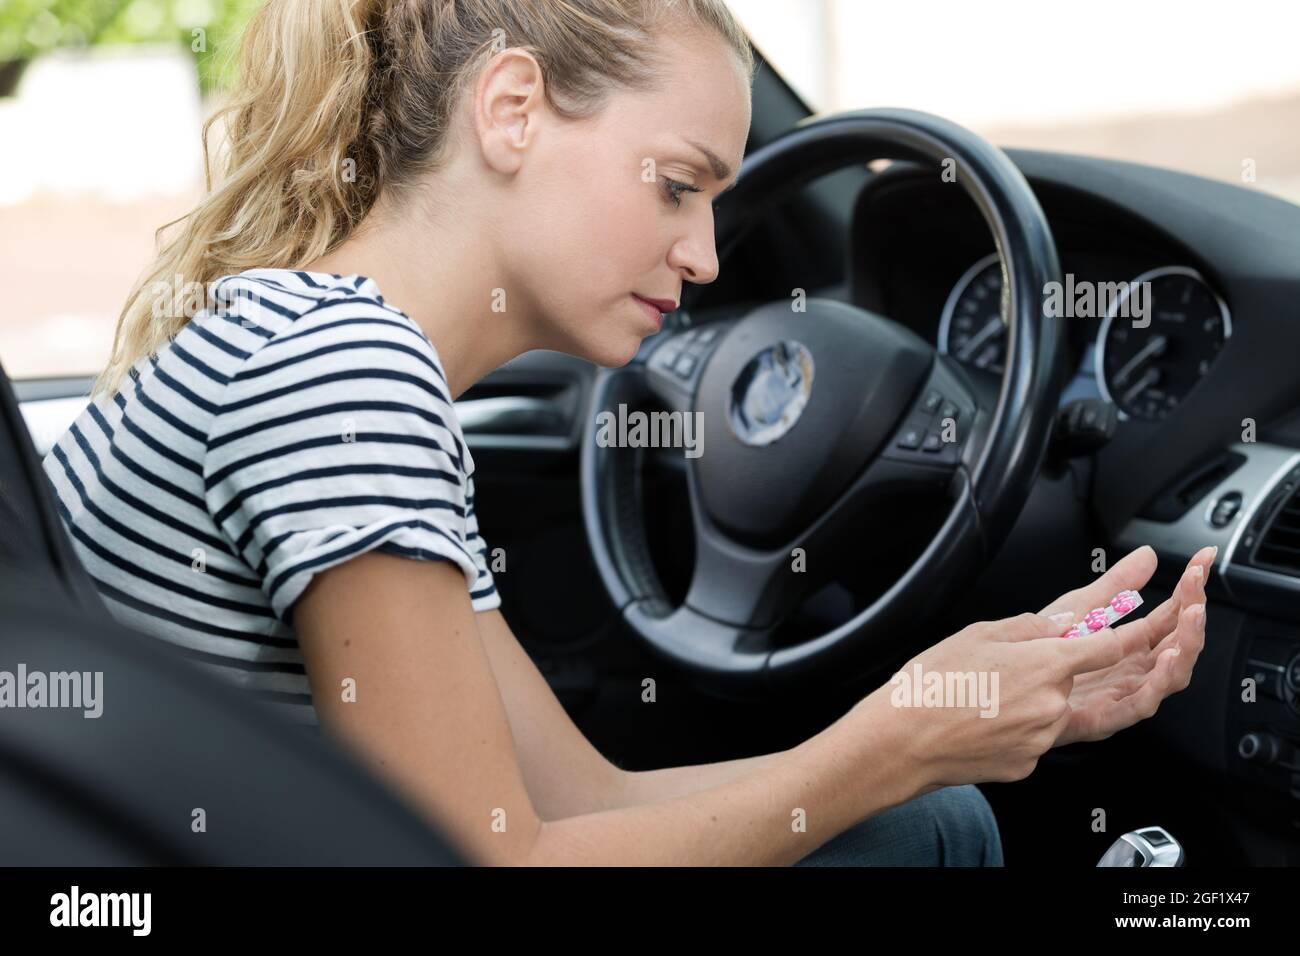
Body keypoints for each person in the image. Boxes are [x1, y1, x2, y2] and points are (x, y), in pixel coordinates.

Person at [42, 0, 1214, 866]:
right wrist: (903, 741)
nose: (707, 256)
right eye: (675, 186)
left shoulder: (324, 344)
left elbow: (576, 803)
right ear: (510, 113)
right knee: (934, 832)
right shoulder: (345, 372)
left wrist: (936, 712)